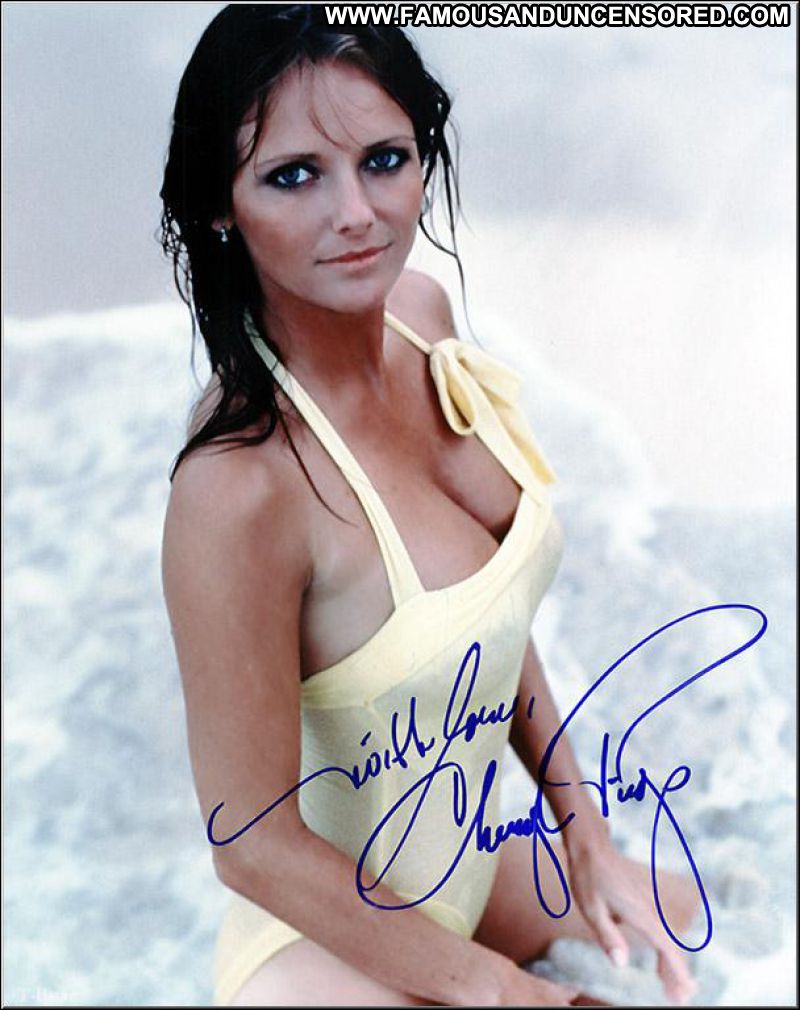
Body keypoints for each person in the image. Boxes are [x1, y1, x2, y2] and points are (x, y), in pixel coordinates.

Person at [159, 5, 700, 1006]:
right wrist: (501, 989)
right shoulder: (240, 484)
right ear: (218, 203)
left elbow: (487, 616)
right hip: (317, 943)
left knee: (710, 911)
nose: (356, 213)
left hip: (464, 866)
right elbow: (250, 844)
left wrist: (586, 834)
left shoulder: (420, 315)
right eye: (293, 176)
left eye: (383, 160)